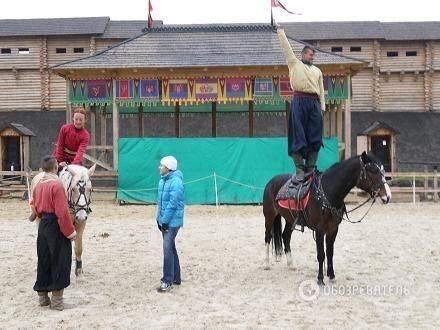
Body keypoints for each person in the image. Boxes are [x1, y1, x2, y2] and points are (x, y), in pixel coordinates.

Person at [277, 25, 325, 181]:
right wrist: (280, 31)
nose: (312, 57)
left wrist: (322, 108)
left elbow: (321, 89)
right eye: (310, 54)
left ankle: (311, 168)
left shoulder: (318, 71)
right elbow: (286, 47)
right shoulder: (294, 63)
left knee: (315, 136)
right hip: (299, 102)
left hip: (314, 103)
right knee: (298, 135)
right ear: (303, 54)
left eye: (313, 55)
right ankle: (299, 168)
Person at [31, 155, 76, 311]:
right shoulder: (56, 186)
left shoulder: (38, 186)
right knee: (60, 259)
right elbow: (62, 213)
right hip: (54, 226)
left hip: (42, 225)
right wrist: (70, 232)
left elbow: (35, 207)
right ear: (56, 167)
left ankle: (43, 298)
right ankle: (57, 302)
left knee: (44, 260)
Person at [156, 156, 184, 293]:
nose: (159, 167)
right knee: (171, 247)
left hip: (172, 222)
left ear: (168, 167)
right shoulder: (163, 181)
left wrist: (165, 221)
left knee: (167, 249)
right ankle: (176, 277)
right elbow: (161, 203)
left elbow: (172, 205)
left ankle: (167, 280)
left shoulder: (176, 182)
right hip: (166, 220)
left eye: (161, 165)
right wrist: (158, 219)